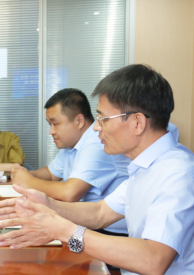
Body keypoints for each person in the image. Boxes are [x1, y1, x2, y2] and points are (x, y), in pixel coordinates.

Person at [0, 64, 194, 275]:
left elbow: (154, 260)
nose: (96, 127)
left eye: (103, 118)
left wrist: (65, 230)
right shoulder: (145, 165)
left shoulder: (177, 172)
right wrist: (48, 205)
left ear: (137, 122)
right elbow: (100, 213)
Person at [10, 89, 128, 235]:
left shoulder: (97, 142)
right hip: (86, 221)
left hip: (108, 230)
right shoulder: (71, 143)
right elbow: (51, 174)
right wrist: (26, 174)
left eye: (55, 124)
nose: (51, 131)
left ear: (79, 121)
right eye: (49, 125)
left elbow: (69, 193)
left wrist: (28, 181)